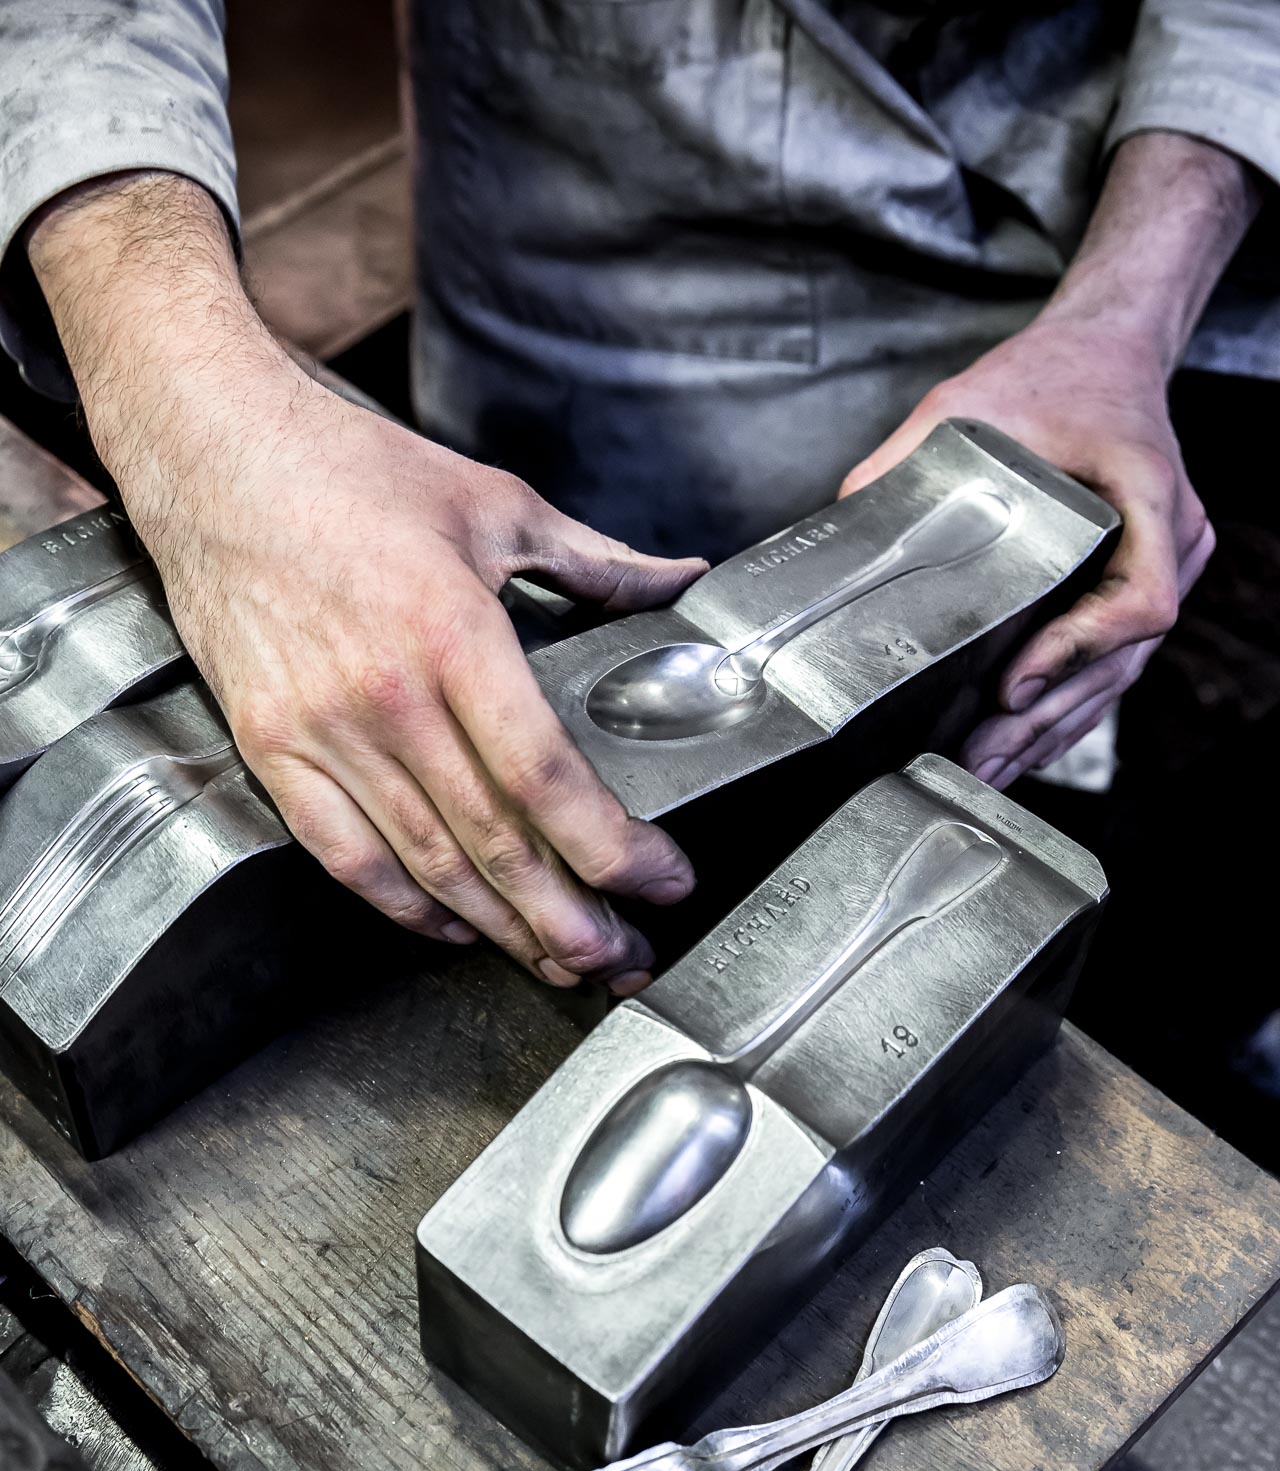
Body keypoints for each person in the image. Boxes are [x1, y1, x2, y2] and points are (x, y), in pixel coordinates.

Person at [0, 2, 1275, 998]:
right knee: (520, 787)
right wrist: (196, 427)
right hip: (552, 260)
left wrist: (1127, 308)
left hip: (1037, 306)